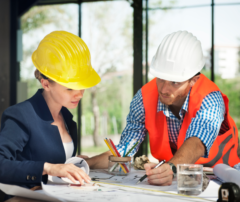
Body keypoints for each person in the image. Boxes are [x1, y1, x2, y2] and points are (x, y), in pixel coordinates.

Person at [86, 31, 240, 186]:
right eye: (160, 78)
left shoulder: (210, 98)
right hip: (173, 179)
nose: (164, 89)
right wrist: (86, 163)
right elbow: (125, 149)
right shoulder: (143, 98)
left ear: (193, 80)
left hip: (223, 179)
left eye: (174, 82)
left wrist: (171, 168)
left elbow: (197, 142)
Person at [0, 31, 101, 189]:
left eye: (82, 87)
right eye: (70, 88)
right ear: (46, 84)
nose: (79, 94)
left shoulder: (66, 117)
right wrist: (49, 168)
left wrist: (73, 162)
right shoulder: (22, 115)